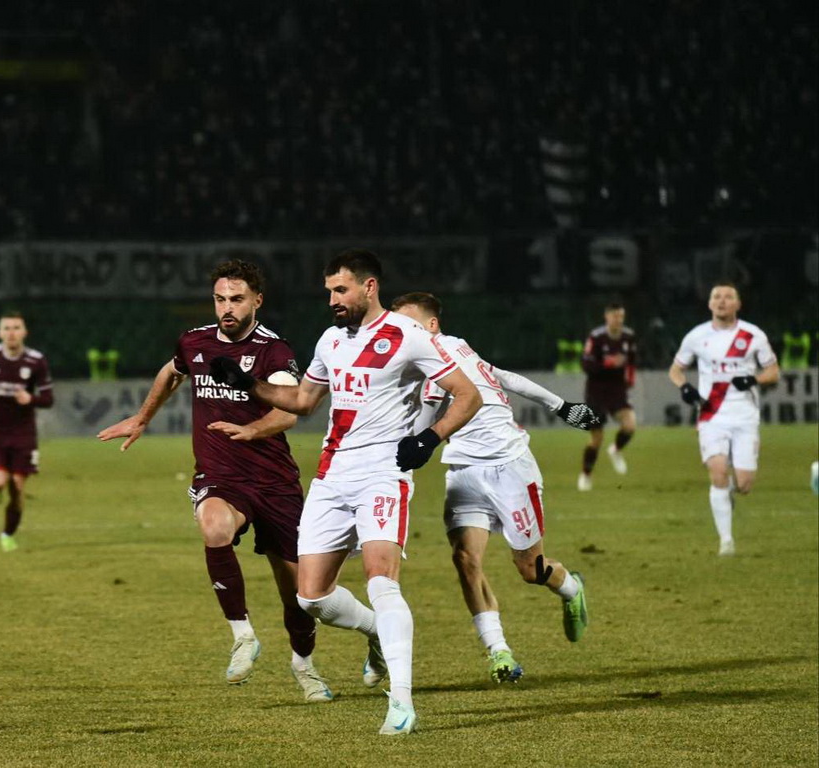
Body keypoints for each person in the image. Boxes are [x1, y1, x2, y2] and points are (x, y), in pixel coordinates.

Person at [209, 249, 482, 736]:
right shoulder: (332, 340)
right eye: (329, 290)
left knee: (381, 581)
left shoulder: (407, 336)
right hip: (332, 475)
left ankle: (400, 701)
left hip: (384, 473)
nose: (333, 299)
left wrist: (429, 438)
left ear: (369, 287)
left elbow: (469, 394)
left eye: (341, 290)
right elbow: (304, 401)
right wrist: (249, 384)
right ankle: (375, 631)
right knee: (311, 596)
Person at [97, 260, 332, 703]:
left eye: (237, 299)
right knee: (214, 526)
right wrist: (143, 417)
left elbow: (289, 410)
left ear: (257, 301)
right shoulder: (195, 342)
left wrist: (252, 430)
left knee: (300, 597)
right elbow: (172, 371)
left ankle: (304, 665)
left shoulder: (273, 352)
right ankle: (243, 635)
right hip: (221, 475)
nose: (227, 307)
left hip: (274, 482)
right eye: (221, 299)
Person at [390, 292, 596, 684]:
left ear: (432, 326)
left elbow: (500, 379)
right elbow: (433, 416)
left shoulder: (451, 348)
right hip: (464, 469)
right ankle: (498, 651)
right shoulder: (413, 361)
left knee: (530, 569)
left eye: (411, 324)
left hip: (510, 466)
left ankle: (570, 588)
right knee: (465, 559)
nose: (403, 333)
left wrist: (562, 406)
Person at [668, 282, 780, 556]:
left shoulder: (753, 335)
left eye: (728, 297)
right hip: (711, 415)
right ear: (709, 304)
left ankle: (728, 492)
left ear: (738, 304)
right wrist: (684, 387)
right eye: (716, 296)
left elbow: (773, 371)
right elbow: (676, 369)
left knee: (743, 484)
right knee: (718, 473)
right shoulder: (696, 336)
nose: (722, 301)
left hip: (745, 416)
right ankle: (726, 541)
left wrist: (753, 378)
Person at [0, 310, 54, 552]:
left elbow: (48, 399)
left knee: (17, 488)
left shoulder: (36, 361)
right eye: (6, 328)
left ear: (24, 332)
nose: (11, 333)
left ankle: (7, 534)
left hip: (23, 434)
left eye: (16, 328)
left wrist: (31, 398)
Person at [577, 300, 637, 491]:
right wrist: (608, 364)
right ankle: (586, 475)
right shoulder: (596, 337)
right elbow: (586, 365)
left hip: (617, 390)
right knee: (597, 438)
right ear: (607, 316)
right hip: (596, 391)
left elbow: (632, 361)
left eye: (621, 316)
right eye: (614, 316)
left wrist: (630, 377)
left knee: (630, 425)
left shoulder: (629, 337)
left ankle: (616, 450)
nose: (618, 320)